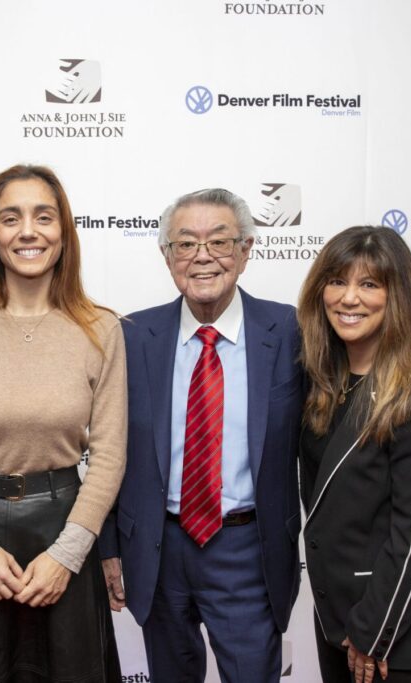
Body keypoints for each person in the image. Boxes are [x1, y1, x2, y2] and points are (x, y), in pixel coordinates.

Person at [0, 164, 126, 682]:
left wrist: (67, 556)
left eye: (44, 217)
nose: (28, 231)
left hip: (63, 534)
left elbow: (110, 455)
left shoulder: (102, 329)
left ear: (64, 232)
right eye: (11, 218)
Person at [99, 188, 303, 683]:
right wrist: (108, 546)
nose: (203, 256)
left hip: (247, 549)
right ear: (167, 256)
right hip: (157, 546)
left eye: (220, 241)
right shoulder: (130, 335)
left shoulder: (292, 331)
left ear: (247, 250)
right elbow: (107, 446)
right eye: (186, 244)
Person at [297, 225, 411, 683]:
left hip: (391, 631)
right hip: (336, 618)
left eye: (369, 284)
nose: (349, 298)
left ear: (398, 297)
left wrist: (374, 632)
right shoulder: (323, 386)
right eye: (337, 281)